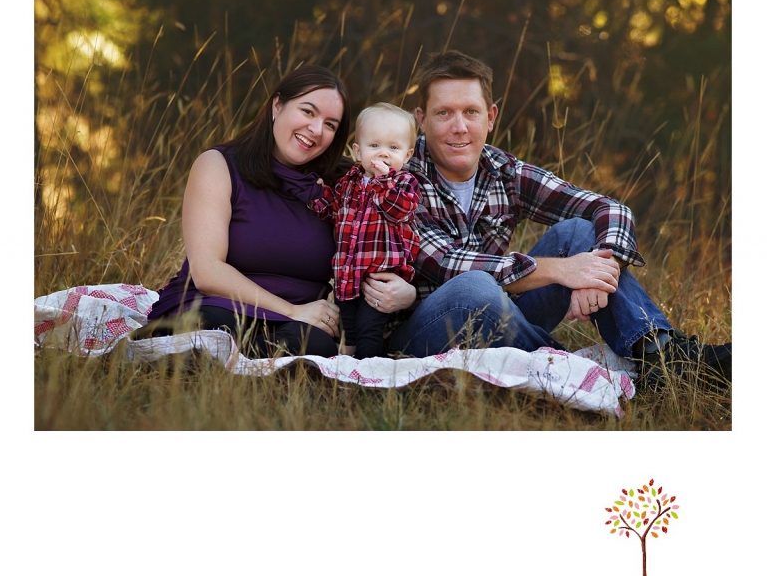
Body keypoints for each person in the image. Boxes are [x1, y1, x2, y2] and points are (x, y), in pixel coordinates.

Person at [361, 50, 731, 390]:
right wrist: (561, 270)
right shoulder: (396, 178)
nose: (459, 127)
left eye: (471, 112)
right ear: (421, 120)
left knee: (580, 232)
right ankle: (573, 369)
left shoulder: (503, 171)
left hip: (501, 313)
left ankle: (662, 358)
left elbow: (609, 208)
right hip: (419, 334)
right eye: (444, 113)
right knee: (473, 288)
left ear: (490, 117)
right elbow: (447, 264)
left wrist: (598, 269)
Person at [134, 65, 351, 358]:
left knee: (314, 345)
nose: (316, 129)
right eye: (308, 112)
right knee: (212, 325)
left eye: (330, 125)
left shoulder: (345, 184)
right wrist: (292, 310)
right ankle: (222, 360)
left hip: (296, 326)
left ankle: (229, 362)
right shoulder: (219, 165)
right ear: (277, 105)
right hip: (219, 305)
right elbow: (207, 272)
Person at [310, 103, 420, 358]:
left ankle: (368, 372)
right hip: (347, 273)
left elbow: (399, 210)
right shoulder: (348, 182)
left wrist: (382, 181)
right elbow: (335, 212)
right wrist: (318, 196)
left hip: (380, 278)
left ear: (407, 155)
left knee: (369, 330)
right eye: (374, 145)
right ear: (358, 151)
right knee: (347, 330)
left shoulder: (404, 183)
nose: (383, 154)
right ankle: (345, 371)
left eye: (393, 148)